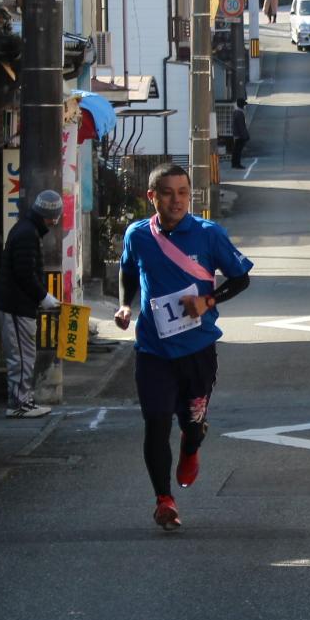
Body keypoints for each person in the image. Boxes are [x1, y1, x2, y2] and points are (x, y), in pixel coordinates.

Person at [113, 163, 254, 531]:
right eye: (167, 193)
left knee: (191, 425)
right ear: (152, 197)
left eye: (182, 192)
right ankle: (164, 500)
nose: (176, 200)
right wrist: (126, 304)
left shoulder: (208, 234)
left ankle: (192, 445)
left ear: (190, 195)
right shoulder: (138, 234)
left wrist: (209, 302)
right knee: (155, 424)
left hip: (198, 349)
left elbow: (241, 278)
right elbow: (128, 271)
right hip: (153, 349)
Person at [0, 188, 62, 418]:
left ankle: (23, 400)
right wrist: (43, 297)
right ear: (51, 216)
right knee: (22, 357)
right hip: (17, 306)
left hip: (18, 304)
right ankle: (18, 404)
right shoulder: (27, 234)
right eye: (56, 217)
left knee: (23, 355)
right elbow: (25, 273)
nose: (56, 221)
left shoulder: (25, 229)